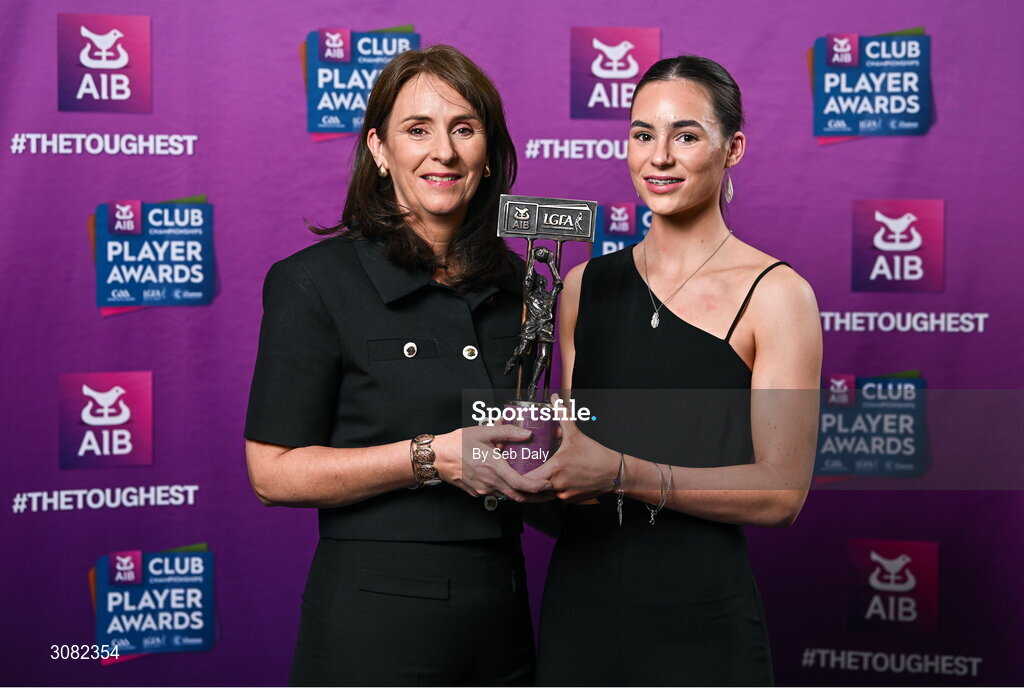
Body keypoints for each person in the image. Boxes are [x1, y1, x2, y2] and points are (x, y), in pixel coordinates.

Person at [244, 44, 549, 686]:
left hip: (507, 613)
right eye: (418, 130)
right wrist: (431, 455)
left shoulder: (528, 290)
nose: (443, 151)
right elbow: (272, 474)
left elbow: (533, 456)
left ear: (488, 151)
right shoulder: (315, 283)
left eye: (464, 128)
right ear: (380, 150)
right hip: (374, 622)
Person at [529, 55, 822, 685]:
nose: (658, 157)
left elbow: (780, 493)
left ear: (733, 147)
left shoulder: (776, 294)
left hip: (701, 622)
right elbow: (573, 469)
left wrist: (621, 474)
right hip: (580, 610)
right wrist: (519, 471)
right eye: (642, 134)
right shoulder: (583, 285)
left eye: (685, 135)